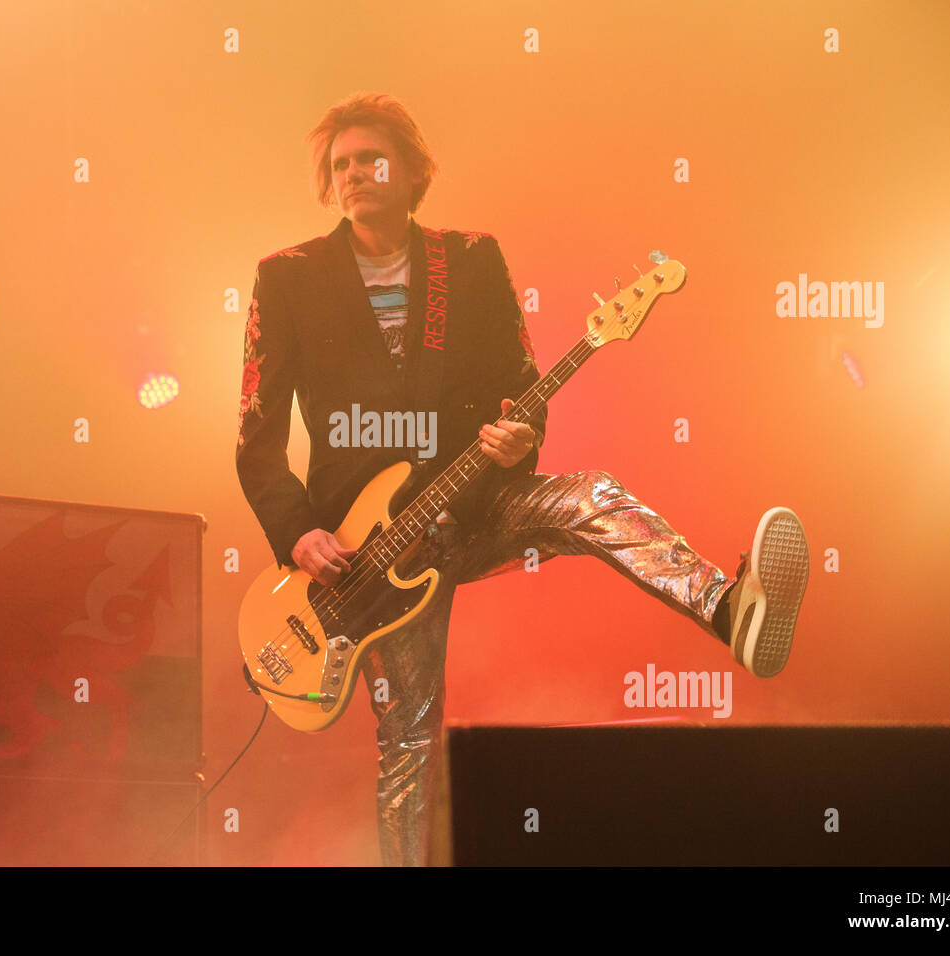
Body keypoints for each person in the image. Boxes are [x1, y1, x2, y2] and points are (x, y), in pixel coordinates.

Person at [235, 92, 810, 866]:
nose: (353, 175)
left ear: (412, 171)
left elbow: (518, 383)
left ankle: (727, 607)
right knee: (408, 740)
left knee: (589, 495)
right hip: (363, 554)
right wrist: (298, 531)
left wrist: (518, 439)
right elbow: (257, 437)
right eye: (340, 165)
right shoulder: (288, 278)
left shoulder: (469, 259)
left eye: (371, 159)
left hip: (472, 501)